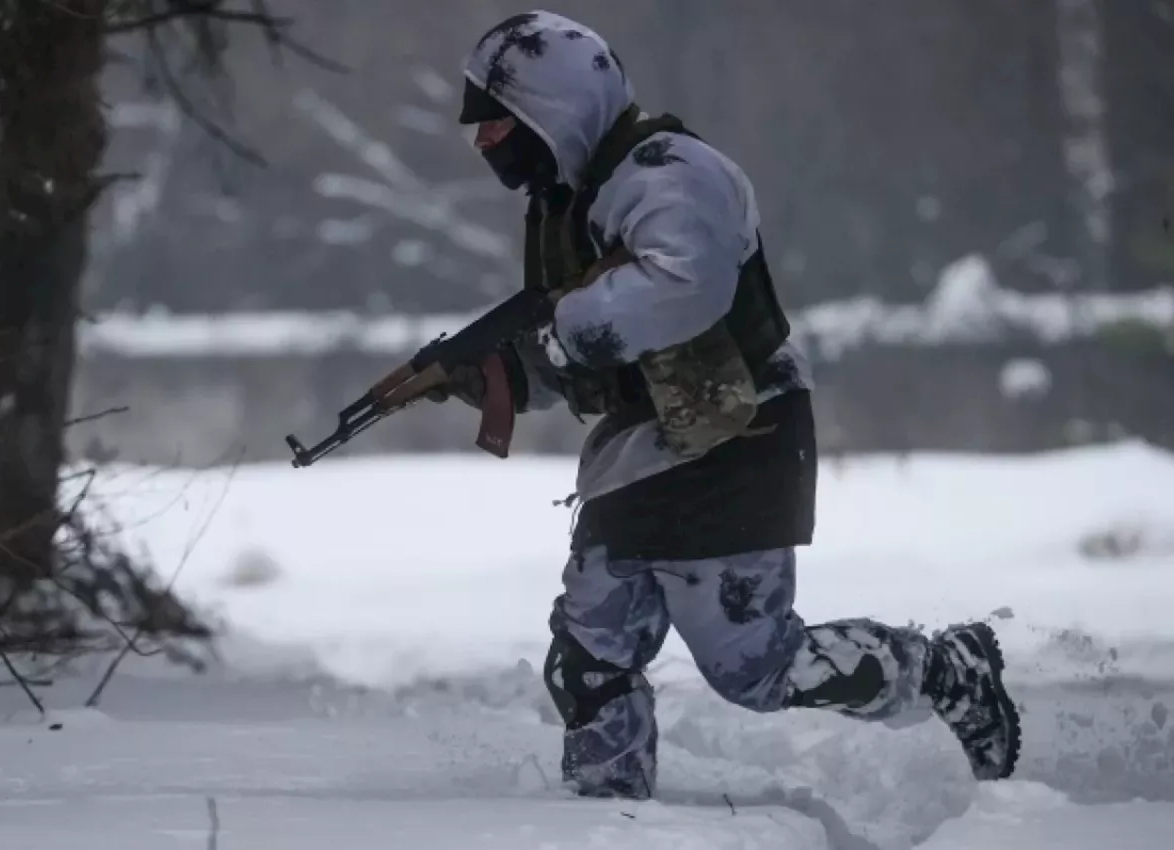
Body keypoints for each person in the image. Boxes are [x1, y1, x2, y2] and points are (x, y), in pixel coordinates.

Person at [432, 10, 1021, 799]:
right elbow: (592, 354)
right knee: (588, 659)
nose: (484, 144)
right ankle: (610, 817)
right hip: (641, 453)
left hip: (737, 439)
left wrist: (551, 340)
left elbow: (681, 291)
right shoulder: (568, 205)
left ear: (555, 106)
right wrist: (498, 374)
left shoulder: (672, 172)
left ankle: (950, 670)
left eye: (499, 122)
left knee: (757, 667)